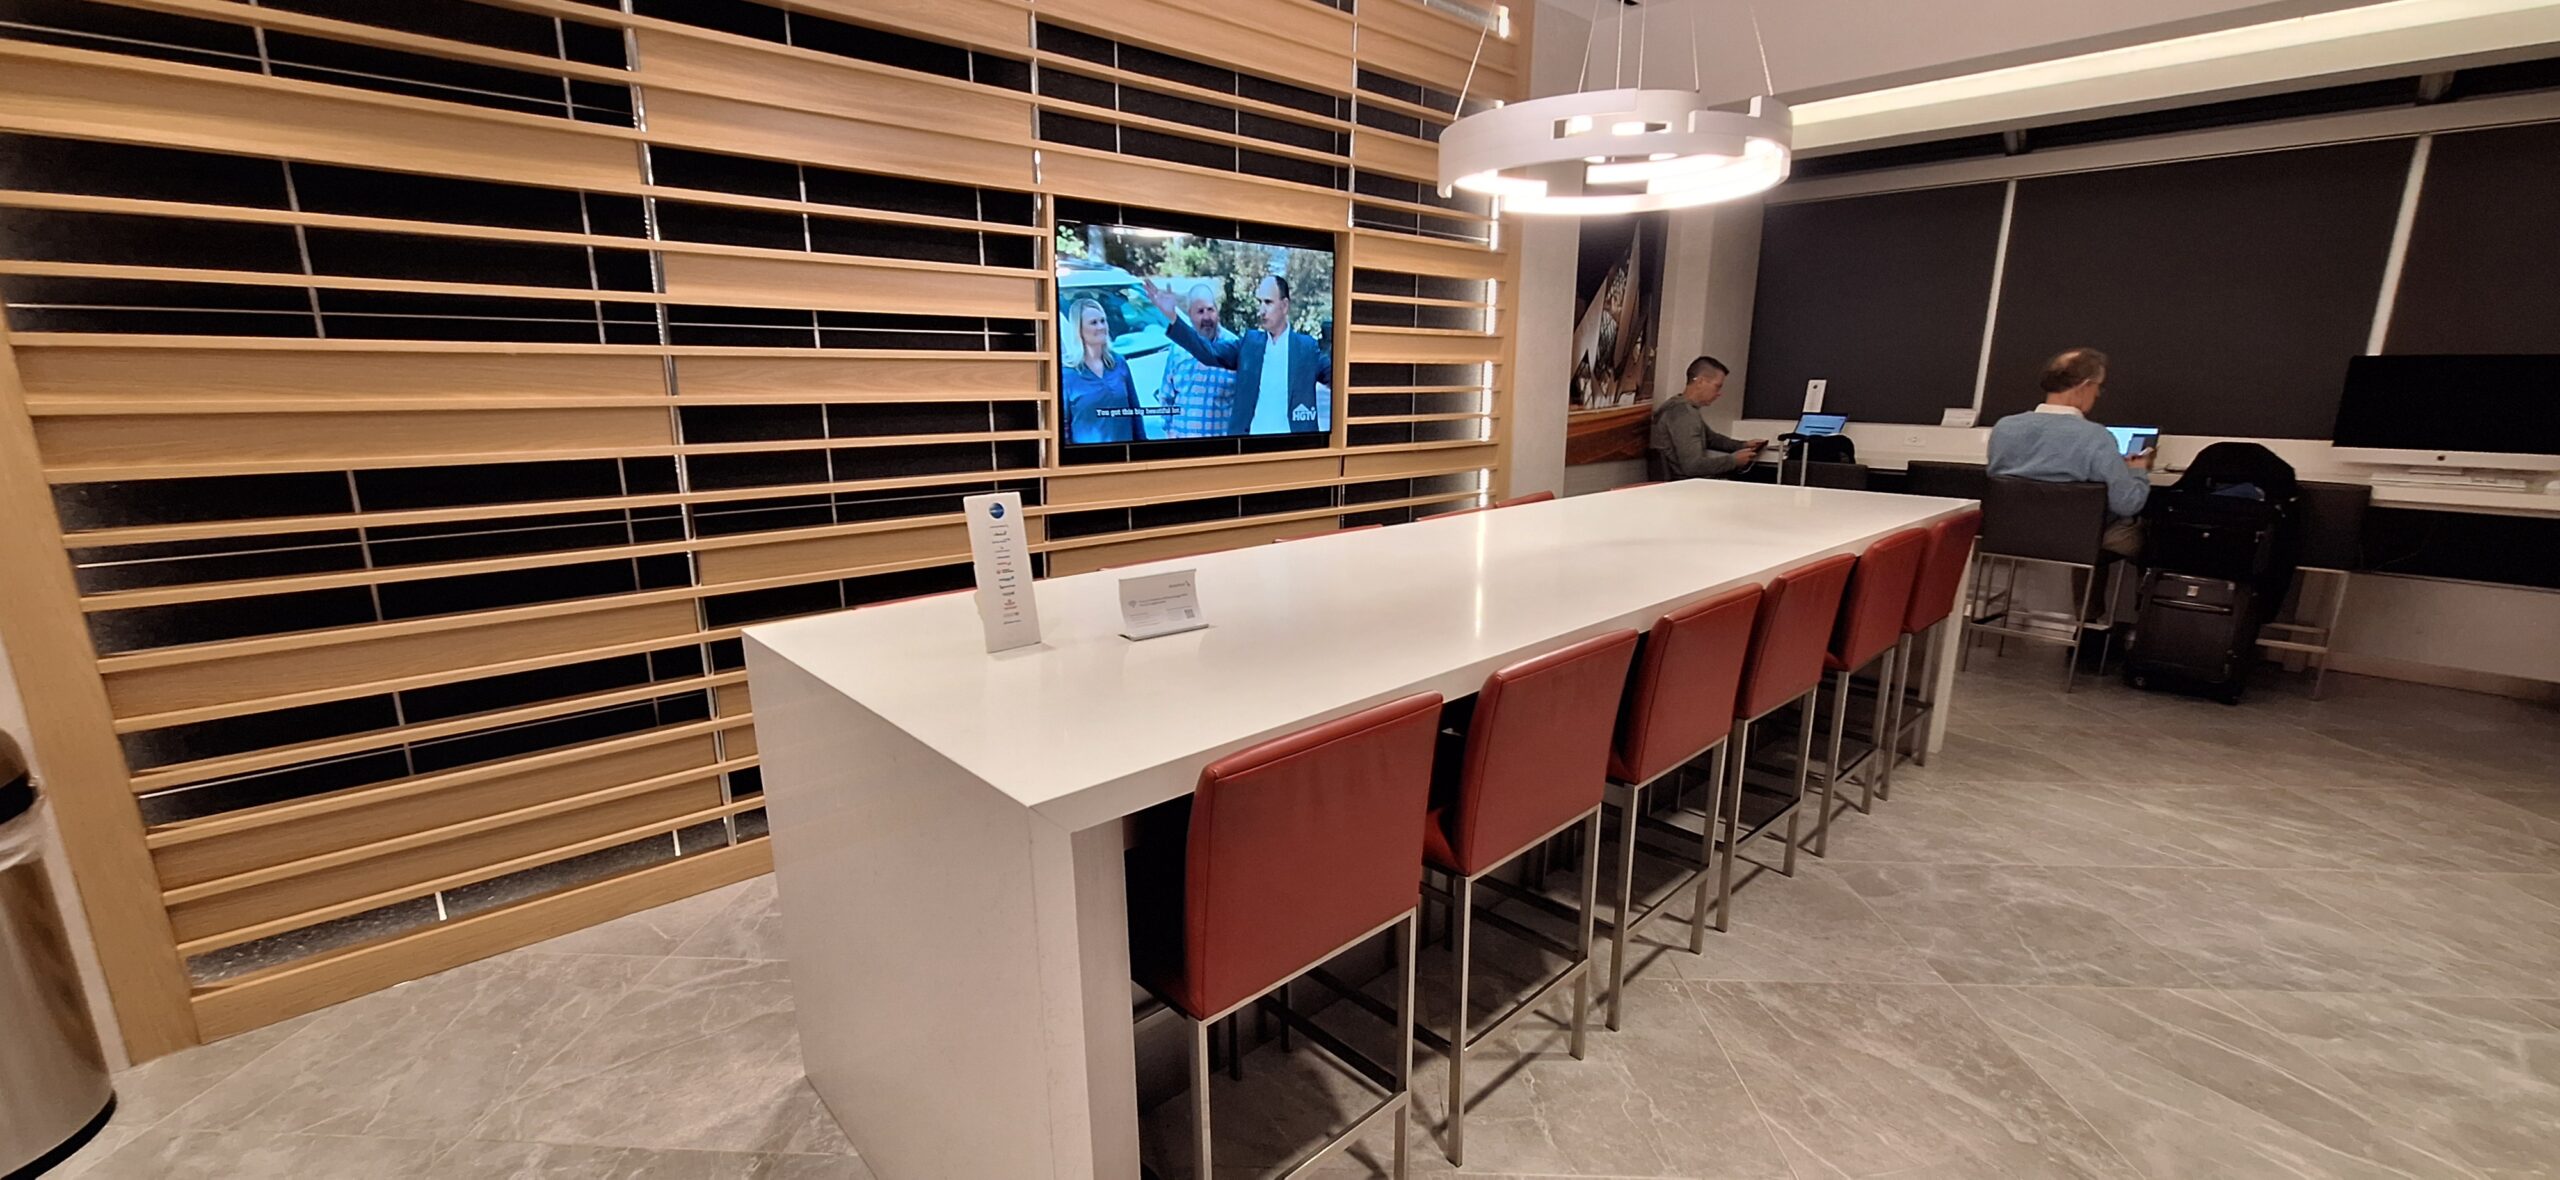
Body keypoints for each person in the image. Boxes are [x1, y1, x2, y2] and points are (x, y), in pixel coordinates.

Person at [1986, 347, 2151, 559]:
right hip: (2075, 540)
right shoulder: (2096, 436)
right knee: (2137, 533)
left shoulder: (2004, 427)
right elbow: (2127, 504)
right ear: (2085, 386)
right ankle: (2095, 592)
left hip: (2009, 533)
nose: (2098, 394)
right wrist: (2137, 471)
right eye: (2098, 387)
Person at [1146, 274, 1332, 436]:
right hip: (1249, 450)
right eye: (1259, 302)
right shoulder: (1249, 343)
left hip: (1294, 451)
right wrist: (1173, 317)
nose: (1261, 310)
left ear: (1284, 306)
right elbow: (1209, 353)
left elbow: (1339, 380)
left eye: (1268, 302)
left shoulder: (1306, 348)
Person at [1650, 356, 1767, 479]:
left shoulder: (1679, 408)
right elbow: (1692, 466)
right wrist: (1733, 461)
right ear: (1701, 382)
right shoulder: (1683, 414)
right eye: (1717, 386)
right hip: (1685, 486)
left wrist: (1743, 445)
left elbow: (1711, 438)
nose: (1719, 393)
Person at [1157, 283, 1238, 439]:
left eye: (1210, 310)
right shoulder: (1177, 349)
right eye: (1200, 311)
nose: (1206, 317)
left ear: (1218, 312)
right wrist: (1169, 430)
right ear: (1190, 315)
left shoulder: (1233, 346)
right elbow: (1166, 396)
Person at [1061, 296, 1140, 444]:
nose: (1101, 327)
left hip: (1126, 457)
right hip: (1088, 462)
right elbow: (1063, 427)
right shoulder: (1067, 374)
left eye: (1103, 321)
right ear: (1079, 330)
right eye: (1093, 323)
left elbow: (1135, 411)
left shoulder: (1119, 363)